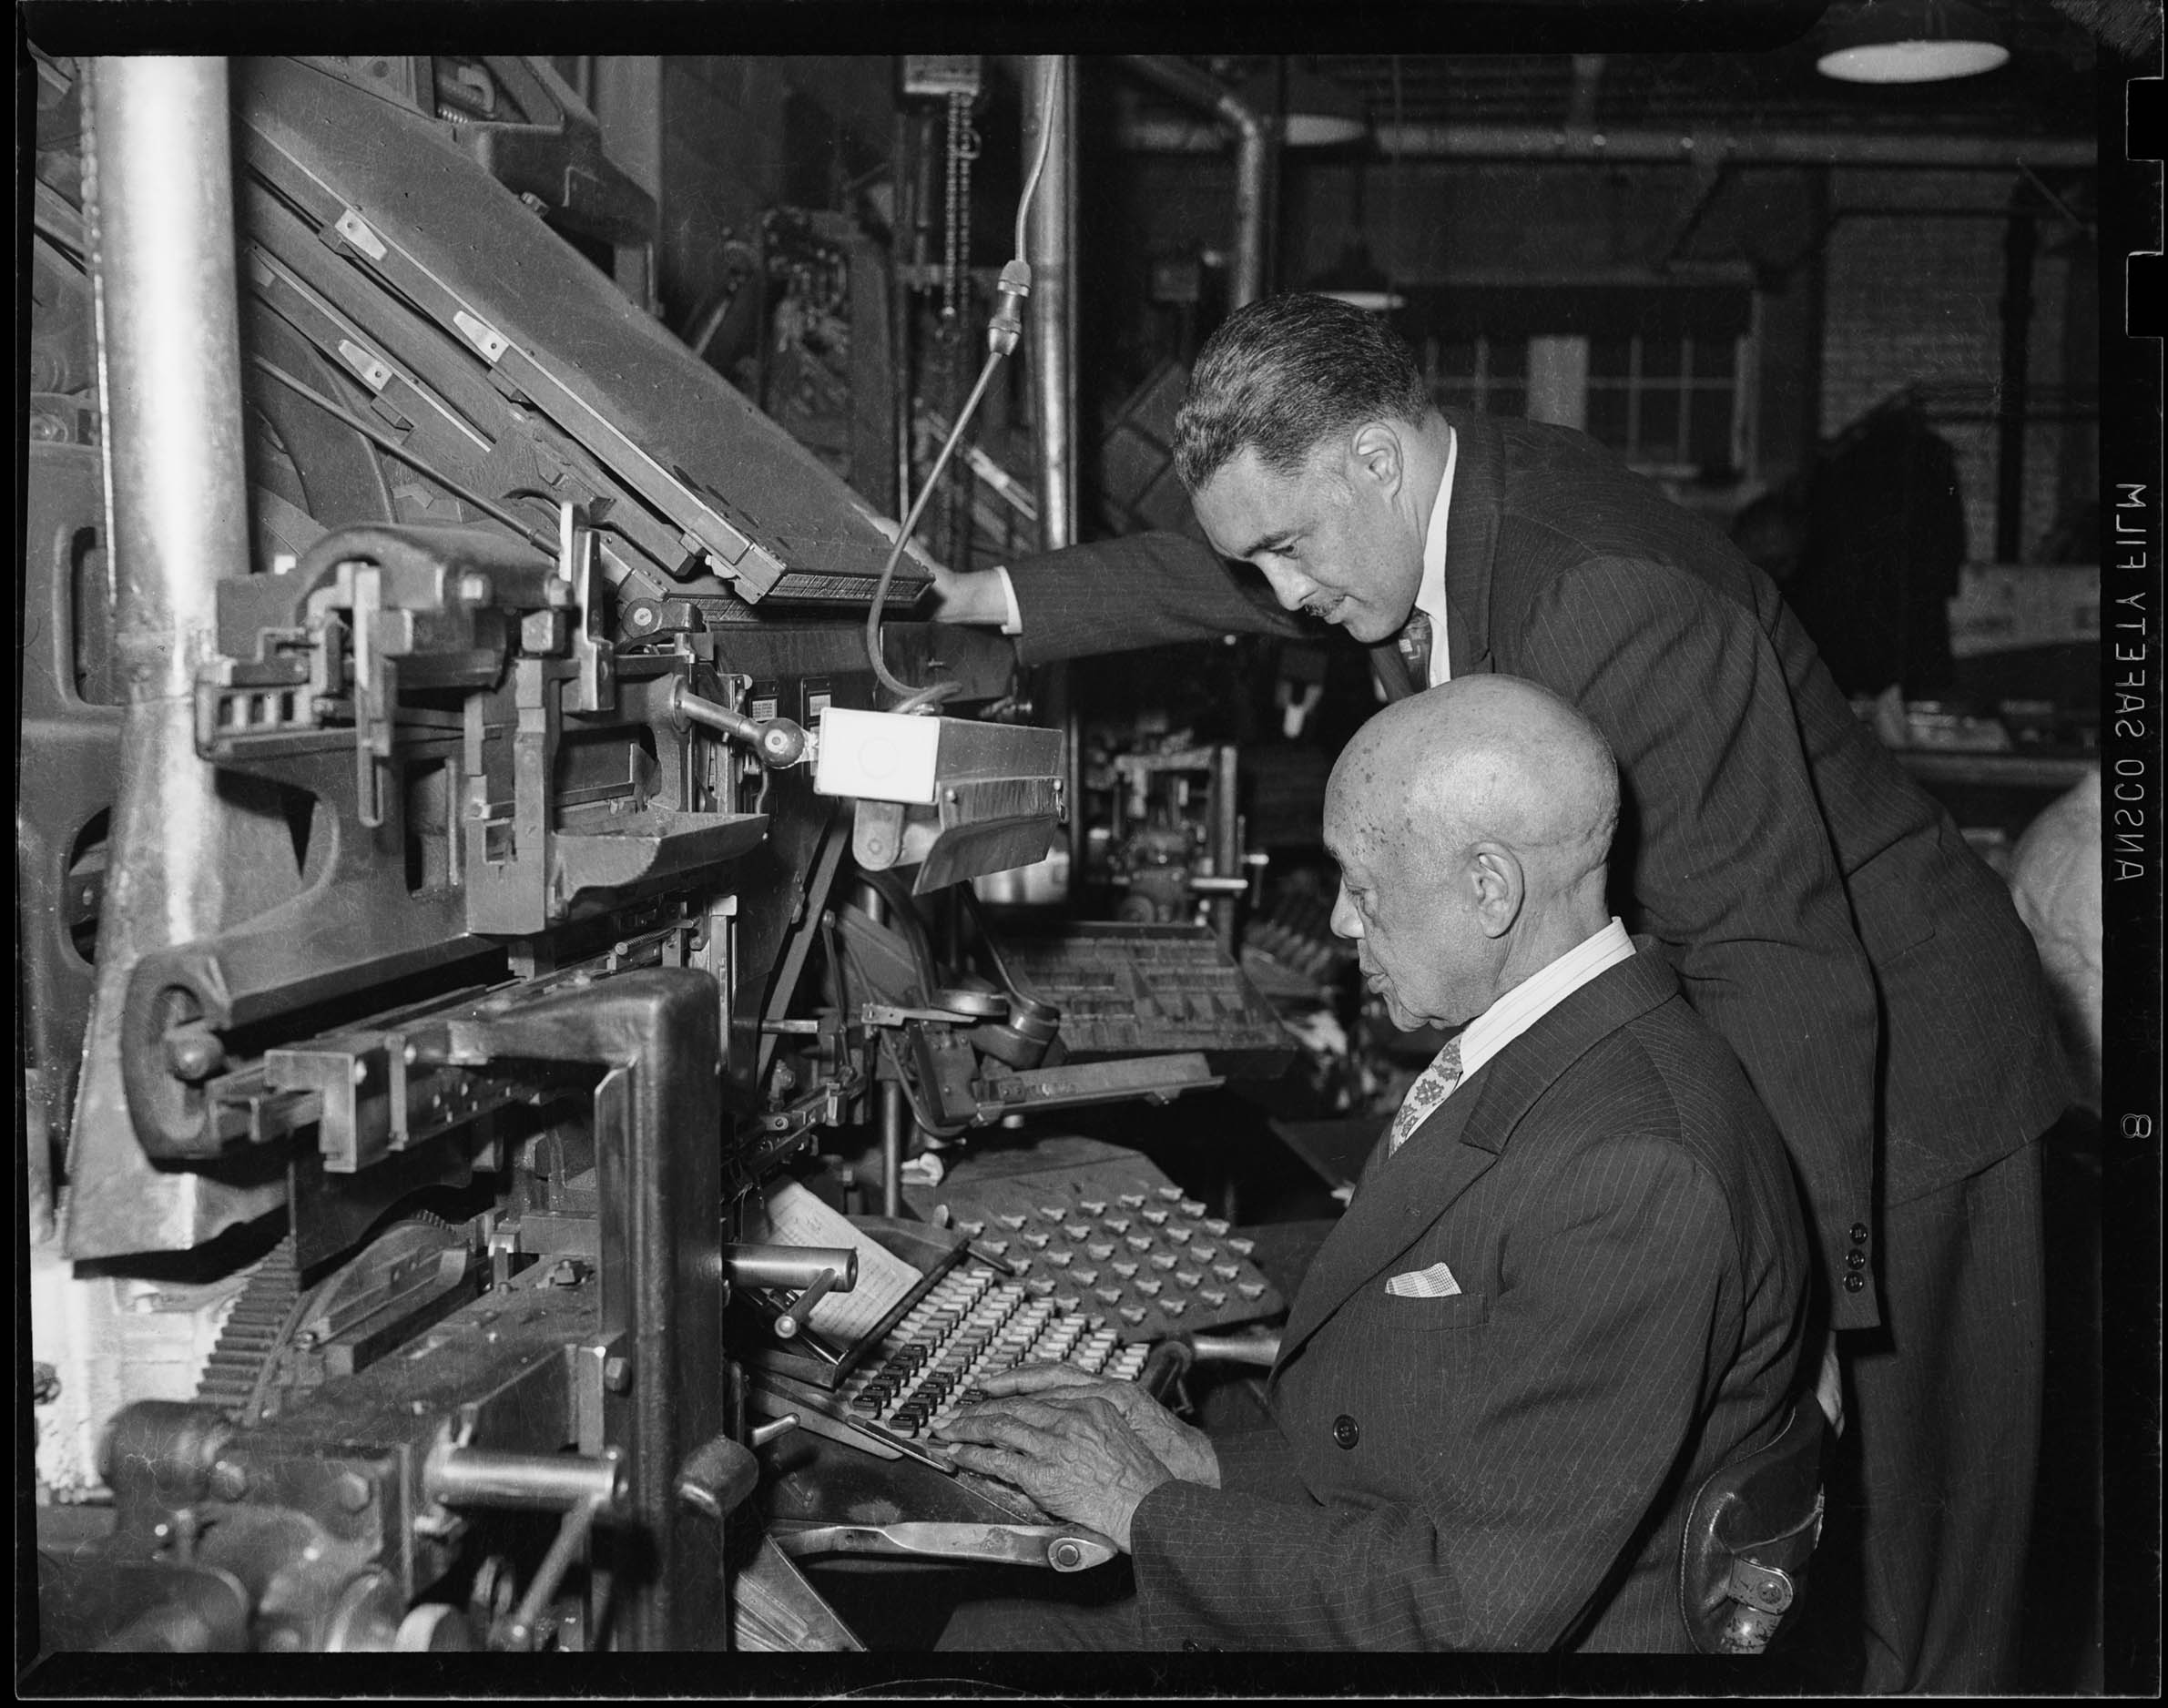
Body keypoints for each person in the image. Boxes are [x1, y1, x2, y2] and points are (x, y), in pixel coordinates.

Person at [931, 294, 2067, 1688]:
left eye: (1290, 548)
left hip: (1901, 1082)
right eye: (1259, 556)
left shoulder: (1598, 596)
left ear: (1374, 461)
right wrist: (1006, 603)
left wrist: (1803, 1315)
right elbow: (1233, 558)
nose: (1285, 595)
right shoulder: (1418, 498)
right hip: (1767, 1010)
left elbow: (1780, 961)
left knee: (1884, 1561)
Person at [934, 676, 1810, 1651]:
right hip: (1448, 1571)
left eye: (1363, 885)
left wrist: (1143, 1505)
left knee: (998, 1637)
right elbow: (1437, 1438)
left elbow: (1472, 1613)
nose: (1343, 923)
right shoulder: (1562, 1046)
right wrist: (1197, 1462)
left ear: (1489, 888)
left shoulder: (1631, 1167)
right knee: (1005, 1620)